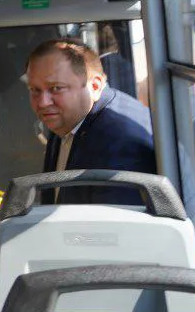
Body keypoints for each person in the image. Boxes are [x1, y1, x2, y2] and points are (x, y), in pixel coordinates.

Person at [25, 37, 156, 205]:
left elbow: (113, 221)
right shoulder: (67, 118)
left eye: (56, 88)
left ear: (95, 86)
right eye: (34, 90)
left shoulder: (120, 146)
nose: (43, 102)